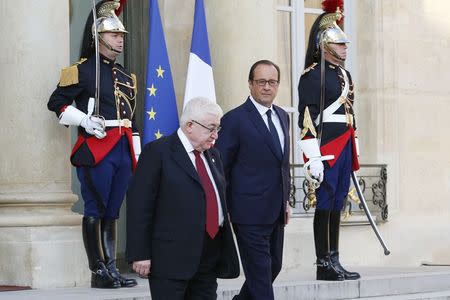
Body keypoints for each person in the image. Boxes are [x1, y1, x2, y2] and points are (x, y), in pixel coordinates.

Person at [47, 0, 139, 289]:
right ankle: (97, 270)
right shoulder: (82, 70)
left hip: (122, 147)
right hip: (97, 148)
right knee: (95, 207)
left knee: (113, 210)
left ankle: (111, 268)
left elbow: (130, 117)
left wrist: (137, 150)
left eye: (122, 36)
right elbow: (56, 103)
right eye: (115, 35)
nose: (120, 40)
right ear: (99, 38)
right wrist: (85, 121)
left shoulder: (125, 75)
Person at [126, 97, 240, 299]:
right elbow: (140, 205)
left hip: (208, 256)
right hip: (171, 259)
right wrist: (140, 253)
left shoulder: (213, 155)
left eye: (218, 129)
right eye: (211, 128)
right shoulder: (158, 152)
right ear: (189, 126)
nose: (215, 135)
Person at [215, 60, 291, 300]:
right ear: (250, 84)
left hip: (276, 210)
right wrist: (224, 208)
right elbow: (221, 168)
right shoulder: (234, 120)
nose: (267, 87)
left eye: (272, 82)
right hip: (247, 212)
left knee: (273, 267)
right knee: (260, 276)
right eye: (261, 82)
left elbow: (282, 165)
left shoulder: (282, 116)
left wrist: (286, 201)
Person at [297, 2, 361, 281]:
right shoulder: (313, 75)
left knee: (337, 202)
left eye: (345, 44)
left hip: (344, 144)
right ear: (325, 44)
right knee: (325, 202)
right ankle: (323, 263)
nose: (345, 48)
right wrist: (312, 156)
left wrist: (354, 146)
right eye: (340, 44)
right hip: (326, 148)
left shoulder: (344, 75)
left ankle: (335, 259)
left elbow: (350, 113)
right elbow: (307, 118)